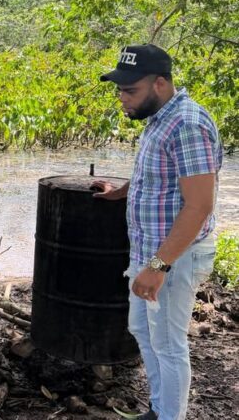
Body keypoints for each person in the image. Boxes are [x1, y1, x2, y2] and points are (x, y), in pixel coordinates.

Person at [93, 44, 222, 420]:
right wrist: (122, 191)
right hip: (150, 250)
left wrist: (159, 266)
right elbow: (158, 179)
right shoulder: (159, 118)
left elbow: (199, 206)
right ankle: (159, 408)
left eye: (129, 90)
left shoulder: (187, 124)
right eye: (119, 89)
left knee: (167, 343)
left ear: (160, 84)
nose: (121, 97)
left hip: (174, 256)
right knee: (142, 330)